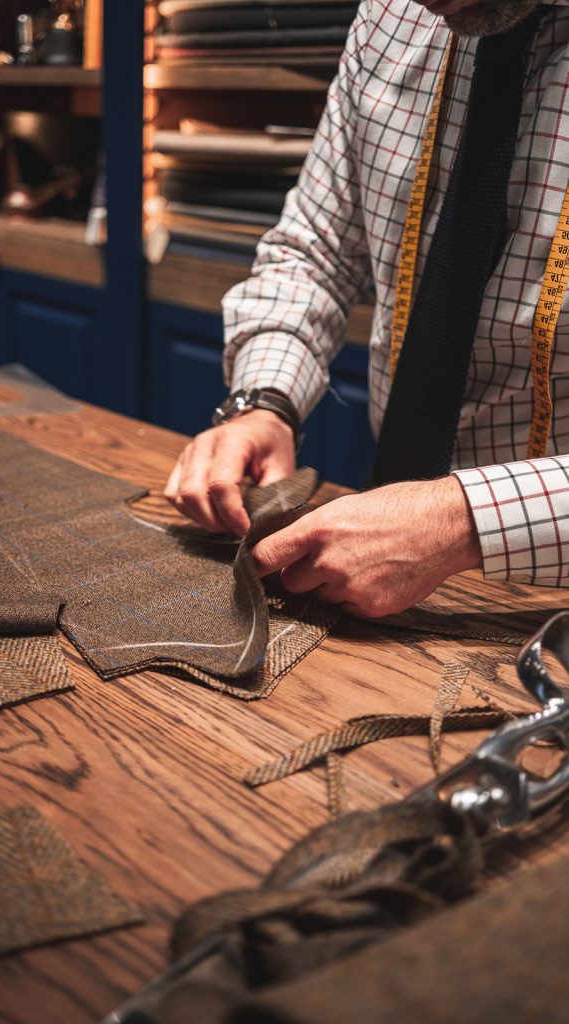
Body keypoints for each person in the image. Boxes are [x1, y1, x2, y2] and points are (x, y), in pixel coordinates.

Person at [164, 0, 569, 618]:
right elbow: (316, 250)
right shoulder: (392, 16)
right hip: (379, 575)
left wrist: (464, 522)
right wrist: (264, 403)